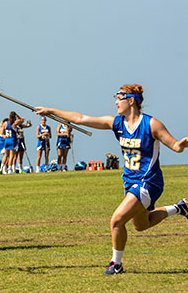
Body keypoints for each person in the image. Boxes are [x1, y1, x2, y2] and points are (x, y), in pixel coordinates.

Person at [36, 84, 188, 275]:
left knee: (117, 220)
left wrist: (181, 144)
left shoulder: (151, 124)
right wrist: (50, 110)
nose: (116, 101)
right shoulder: (116, 123)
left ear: (131, 100)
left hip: (148, 182)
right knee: (142, 225)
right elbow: (81, 118)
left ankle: (116, 264)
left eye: (119, 97)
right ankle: (179, 207)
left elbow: (174, 145)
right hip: (130, 181)